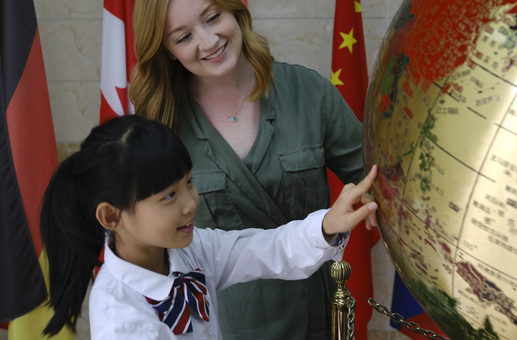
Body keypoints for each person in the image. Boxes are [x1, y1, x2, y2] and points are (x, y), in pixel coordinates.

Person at [129, 0, 367, 339]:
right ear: (167, 50)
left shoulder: (308, 92)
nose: (209, 41)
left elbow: (376, 181)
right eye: (184, 37)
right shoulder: (159, 126)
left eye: (212, 18)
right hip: (221, 327)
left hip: (315, 319)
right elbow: (150, 246)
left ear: (234, 10)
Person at [40, 115, 377, 340]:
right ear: (111, 217)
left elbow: (267, 249)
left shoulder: (191, 249)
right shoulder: (120, 322)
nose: (191, 202)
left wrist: (328, 223)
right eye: (169, 195)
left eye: (189, 182)